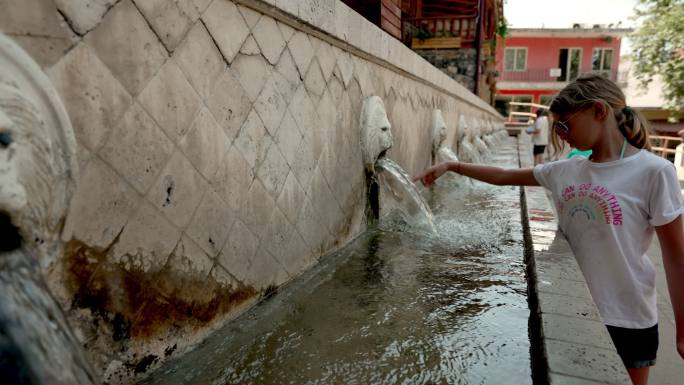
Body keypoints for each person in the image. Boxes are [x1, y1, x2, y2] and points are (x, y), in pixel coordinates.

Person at [414, 74, 684, 385]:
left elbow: (677, 258)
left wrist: (683, 329)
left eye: (565, 125)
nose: (561, 134)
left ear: (599, 111)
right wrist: (452, 166)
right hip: (574, 307)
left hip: (628, 316)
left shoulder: (654, 172)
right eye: (557, 127)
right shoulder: (565, 170)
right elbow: (504, 175)